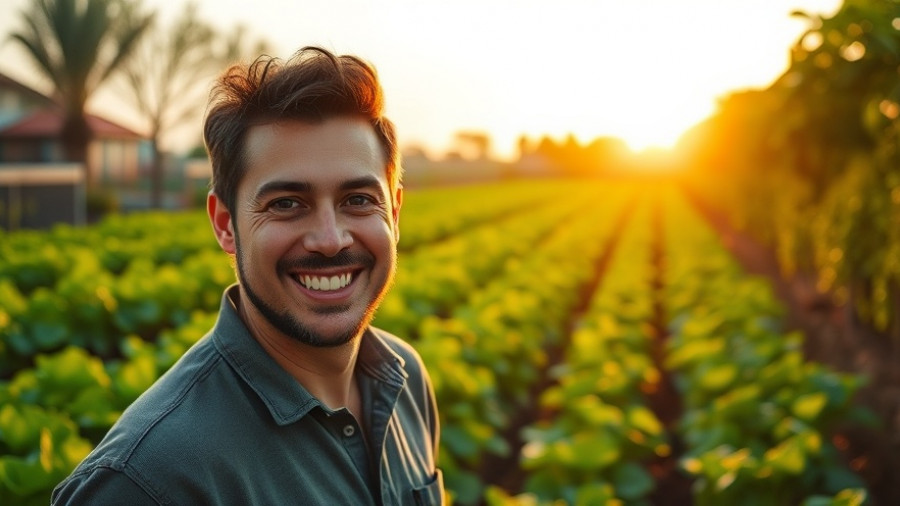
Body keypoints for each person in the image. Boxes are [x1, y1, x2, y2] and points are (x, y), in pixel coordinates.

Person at [52, 47, 444, 505]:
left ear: (394, 213)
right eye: (286, 203)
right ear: (225, 224)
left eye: (357, 199)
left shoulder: (407, 381)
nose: (330, 239)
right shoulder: (145, 481)